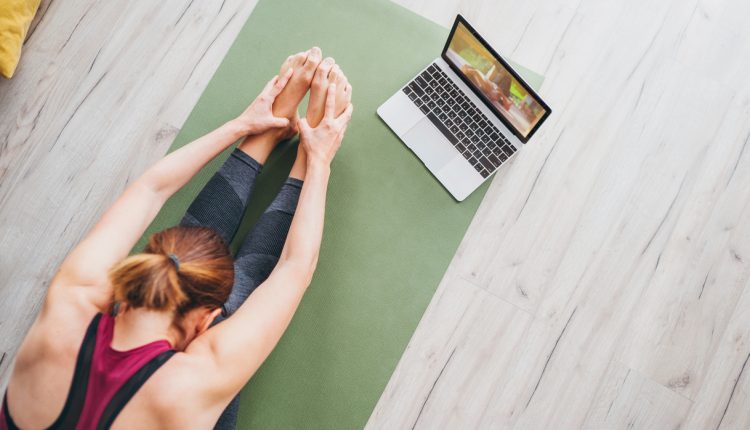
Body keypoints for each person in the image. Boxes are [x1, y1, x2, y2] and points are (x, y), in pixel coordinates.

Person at [0, 47, 353, 430]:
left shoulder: (67, 309)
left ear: (138, 274)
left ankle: (265, 135)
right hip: (174, 402)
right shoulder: (190, 387)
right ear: (205, 322)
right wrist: (317, 162)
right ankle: (296, 159)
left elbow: (151, 189)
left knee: (187, 264)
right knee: (235, 318)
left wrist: (244, 124)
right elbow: (293, 268)